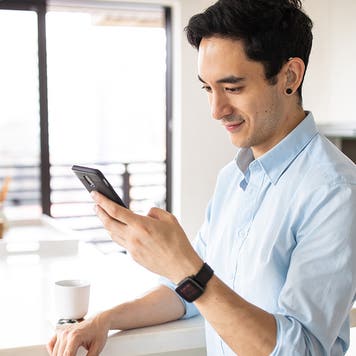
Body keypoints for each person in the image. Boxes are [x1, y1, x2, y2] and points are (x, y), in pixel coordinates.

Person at [47, 0, 356, 355]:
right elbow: (186, 295)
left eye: (233, 88)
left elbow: (299, 350)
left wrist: (184, 265)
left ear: (289, 76)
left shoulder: (336, 191)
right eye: (208, 88)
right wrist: (105, 318)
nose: (216, 110)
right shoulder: (232, 180)